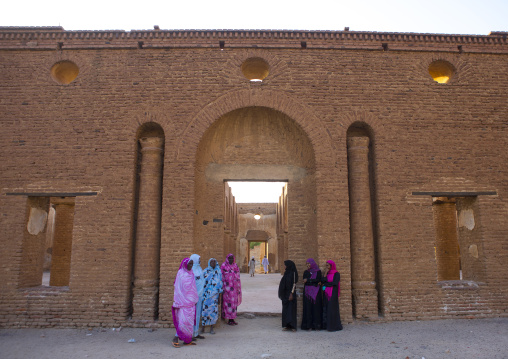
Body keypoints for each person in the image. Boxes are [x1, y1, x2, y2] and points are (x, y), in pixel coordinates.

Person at [172, 257, 199, 348]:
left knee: (189, 323)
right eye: (189, 264)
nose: (191, 266)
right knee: (183, 322)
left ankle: (187, 340)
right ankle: (175, 338)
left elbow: (193, 287)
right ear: (185, 264)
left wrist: (194, 299)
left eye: (192, 264)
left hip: (191, 303)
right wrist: (180, 300)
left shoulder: (191, 273)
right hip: (183, 303)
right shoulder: (180, 274)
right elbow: (178, 288)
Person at [201, 258, 223, 334]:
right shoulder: (205, 271)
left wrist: (220, 297)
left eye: (214, 262)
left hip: (214, 297)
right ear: (209, 263)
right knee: (204, 312)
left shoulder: (218, 272)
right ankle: (203, 328)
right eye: (211, 262)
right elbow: (202, 283)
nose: (213, 263)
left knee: (213, 313)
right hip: (206, 296)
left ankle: (211, 328)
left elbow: (220, 284)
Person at [321, 260, 343, 332]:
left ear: (331, 266)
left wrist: (326, 284)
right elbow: (323, 281)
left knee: (331, 309)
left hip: (333, 294)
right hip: (326, 294)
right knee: (326, 309)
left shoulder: (336, 274)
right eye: (326, 265)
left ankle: (333, 326)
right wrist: (325, 273)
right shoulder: (327, 273)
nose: (326, 267)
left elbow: (335, 283)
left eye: (328, 265)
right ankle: (327, 325)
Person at [301, 258, 323, 331]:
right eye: (306, 264)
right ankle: (308, 326)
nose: (307, 265)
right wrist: (313, 282)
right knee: (308, 309)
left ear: (312, 263)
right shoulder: (306, 272)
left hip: (316, 293)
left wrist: (309, 280)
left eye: (308, 264)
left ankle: (317, 325)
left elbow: (319, 280)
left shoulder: (318, 271)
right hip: (307, 293)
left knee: (316, 309)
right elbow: (305, 281)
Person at [221, 253, 242, 325]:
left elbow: (238, 275)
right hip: (227, 289)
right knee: (228, 304)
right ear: (227, 259)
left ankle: (232, 319)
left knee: (233, 304)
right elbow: (222, 276)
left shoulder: (235, 266)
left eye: (232, 258)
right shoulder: (224, 266)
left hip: (234, 289)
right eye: (229, 258)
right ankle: (228, 319)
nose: (231, 259)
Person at [278, 259, 298, 332]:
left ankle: (293, 326)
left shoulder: (293, 273)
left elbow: (294, 284)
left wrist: (291, 294)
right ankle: (286, 325)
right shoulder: (286, 273)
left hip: (290, 294)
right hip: (285, 294)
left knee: (291, 310)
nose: (284, 266)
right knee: (286, 310)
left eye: (285, 265)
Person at [189, 254, 206, 340]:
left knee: (198, 314)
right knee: (192, 315)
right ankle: (190, 333)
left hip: (200, 295)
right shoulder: (190, 270)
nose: (200, 261)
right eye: (199, 259)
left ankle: (196, 332)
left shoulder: (199, 268)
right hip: (193, 296)